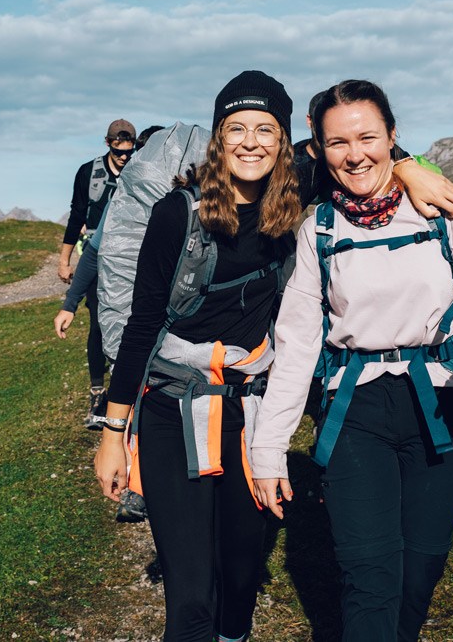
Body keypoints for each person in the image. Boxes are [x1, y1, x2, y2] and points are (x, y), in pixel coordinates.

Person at [251, 80, 453, 642]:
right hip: (356, 414)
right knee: (370, 576)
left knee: (418, 572)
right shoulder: (317, 230)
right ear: (319, 151)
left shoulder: (443, 209)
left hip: (446, 404)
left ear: (393, 138)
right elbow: (297, 347)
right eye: (337, 143)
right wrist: (269, 451)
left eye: (368, 137)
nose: (355, 154)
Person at [94, 71, 302, 642]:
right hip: (171, 408)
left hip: (248, 413)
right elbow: (141, 327)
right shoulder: (176, 215)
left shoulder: (293, 200)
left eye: (266, 128)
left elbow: (359, 145)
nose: (251, 141)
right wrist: (114, 433)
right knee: (190, 599)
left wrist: (411, 166)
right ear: (218, 137)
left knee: (239, 582)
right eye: (236, 128)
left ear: (283, 140)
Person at [58, 119, 137, 426]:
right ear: (108, 144)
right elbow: (76, 214)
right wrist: (64, 261)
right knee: (98, 324)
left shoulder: (138, 170)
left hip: (128, 257)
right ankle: (96, 394)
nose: (124, 157)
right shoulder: (88, 173)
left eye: (129, 151)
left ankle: (126, 390)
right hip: (96, 253)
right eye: (119, 151)